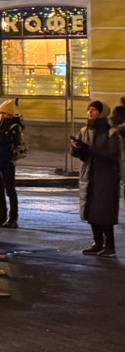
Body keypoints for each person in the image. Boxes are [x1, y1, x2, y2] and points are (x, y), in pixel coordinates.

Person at [70, 101, 119, 256]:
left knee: (104, 211)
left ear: (102, 113)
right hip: (88, 174)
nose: (90, 112)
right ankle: (97, 242)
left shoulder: (111, 132)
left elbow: (111, 154)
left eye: (94, 110)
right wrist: (76, 148)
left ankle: (109, 246)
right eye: (89, 110)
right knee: (90, 209)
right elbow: (81, 155)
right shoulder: (84, 130)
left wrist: (89, 149)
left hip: (106, 176)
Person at [0, 100, 26, 228]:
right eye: (0, 114)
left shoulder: (14, 126)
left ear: (10, 114)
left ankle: (13, 218)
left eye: (3, 113)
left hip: (7, 161)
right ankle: (2, 216)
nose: (1, 116)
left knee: (10, 190)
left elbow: (5, 140)